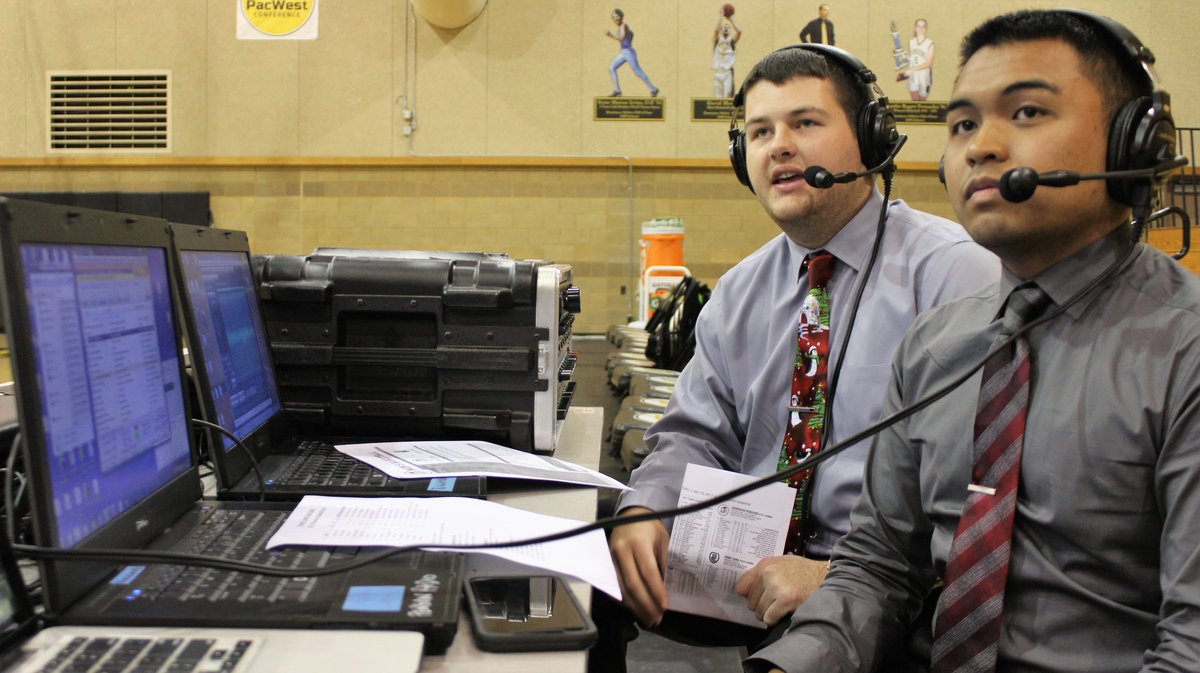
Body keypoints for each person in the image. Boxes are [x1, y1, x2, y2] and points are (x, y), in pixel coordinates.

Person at [746, 9, 1200, 673]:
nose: (980, 146)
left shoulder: (1184, 351)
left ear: (1133, 145)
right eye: (962, 124)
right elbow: (874, 571)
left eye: (1026, 113)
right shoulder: (936, 346)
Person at [590, 44, 999, 672]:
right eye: (759, 132)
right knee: (583, 565)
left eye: (805, 123)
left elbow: (985, 486)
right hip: (750, 560)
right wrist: (647, 508)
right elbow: (694, 433)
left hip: (892, 589)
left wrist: (838, 575)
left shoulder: (955, 275)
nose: (778, 146)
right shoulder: (741, 290)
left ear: (871, 138)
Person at [605, 8, 659, 98]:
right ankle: (617, 90)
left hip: (628, 52)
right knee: (611, 68)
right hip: (624, 52)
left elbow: (622, 37)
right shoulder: (622, 27)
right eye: (613, 17)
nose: (615, 19)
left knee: (638, 72)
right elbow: (631, 34)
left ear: (621, 16)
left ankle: (653, 89)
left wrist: (611, 35)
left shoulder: (623, 25)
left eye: (617, 16)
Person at [899, 18, 934, 101]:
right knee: (914, 100)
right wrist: (905, 57)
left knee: (922, 101)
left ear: (926, 28)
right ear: (915, 28)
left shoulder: (930, 43)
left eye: (923, 26)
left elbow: (929, 63)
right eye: (918, 26)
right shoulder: (912, 42)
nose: (920, 28)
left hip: (924, 76)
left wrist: (912, 70)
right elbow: (914, 59)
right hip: (913, 76)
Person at [713, 8, 743, 98]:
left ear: (730, 30)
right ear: (721, 30)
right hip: (717, 72)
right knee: (717, 99)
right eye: (724, 27)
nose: (726, 28)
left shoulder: (732, 41)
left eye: (728, 27)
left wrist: (731, 19)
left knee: (728, 98)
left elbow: (739, 31)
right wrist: (721, 16)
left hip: (727, 73)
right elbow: (716, 30)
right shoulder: (717, 40)